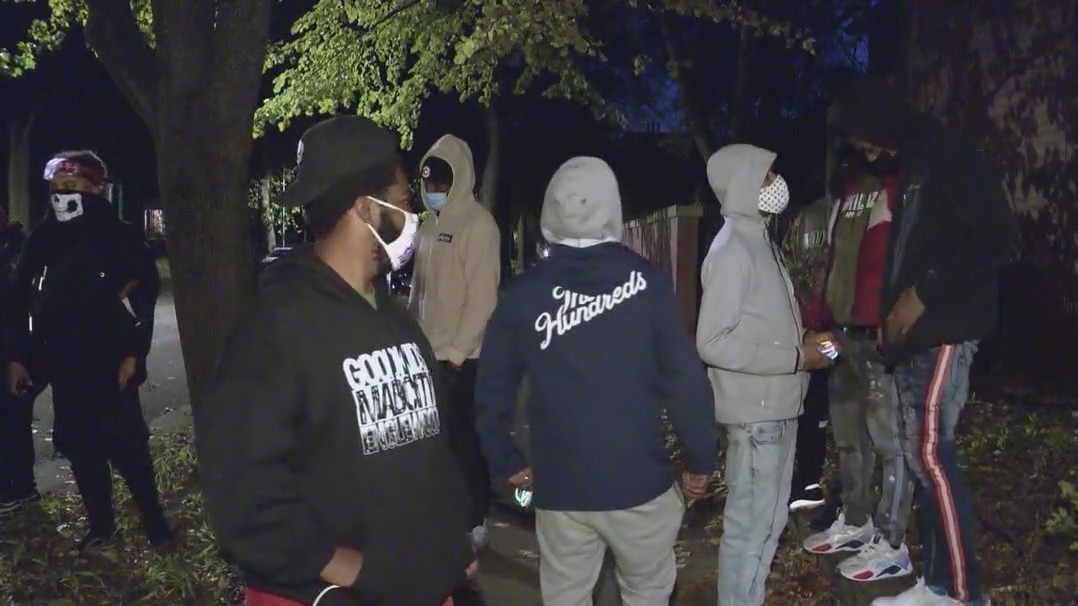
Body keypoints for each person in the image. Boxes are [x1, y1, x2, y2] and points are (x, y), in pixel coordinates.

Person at [196, 115, 475, 606]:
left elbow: (432, 446)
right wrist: (348, 568)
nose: (414, 214)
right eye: (405, 199)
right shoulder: (274, 329)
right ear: (367, 208)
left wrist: (452, 538)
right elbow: (240, 488)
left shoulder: (397, 321)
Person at [476, 156, 717, 606]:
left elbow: (491, 389)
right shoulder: (648, 285)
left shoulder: (522, 295)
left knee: (567, 596)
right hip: (640, 484)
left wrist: (506, 460)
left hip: (560, 488)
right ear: (612, 207)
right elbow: (684, 379)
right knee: (648, 593)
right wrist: (700, 459)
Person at [828, 77, 1017, 606]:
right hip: (917, 338)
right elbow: (909, 248)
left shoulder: (952, 157)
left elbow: (1000, 240)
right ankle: (936, 584)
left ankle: (961, 591)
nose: (866, 154)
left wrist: (920, 294)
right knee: (919, 459)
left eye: (865, 142)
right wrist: (889, 314)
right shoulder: (916, 164)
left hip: (946, 330)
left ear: (881, 122)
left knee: (930, 455)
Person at [4, 151, 170, 550]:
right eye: (56, 188)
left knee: (128, 448)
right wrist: (19, 356)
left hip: (110, 360)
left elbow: (144, 296)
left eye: (72, 187)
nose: (62, 195)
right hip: (63, 360)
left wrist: (134, 354)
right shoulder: (44, 238)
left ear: (95, 189)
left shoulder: (119, 236)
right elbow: (19, 295)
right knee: (81, 446)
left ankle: (157, 529)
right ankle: (101, 527)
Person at [696, 144, 835, 606]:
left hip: (773, 410)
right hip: (758, 417)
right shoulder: (734, 249)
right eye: (767, 175)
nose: (777, 183)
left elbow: (758, 323)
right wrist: (796, 357)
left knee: (766, 526)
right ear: (742, 183)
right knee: (750, 531)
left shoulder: (757, 240)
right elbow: (712, 341)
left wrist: (805, 340)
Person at [800, 143, 916, 584]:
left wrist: (893, 325)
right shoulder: (845, 199)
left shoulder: (895, 190)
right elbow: (831, 264)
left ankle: (892, 541)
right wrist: (817, 322)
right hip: (840, 336)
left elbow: (899, 262)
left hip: (877, 338)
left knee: (889, 443)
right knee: (848, 437)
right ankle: (856, 519)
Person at [409, 135, 501, 551]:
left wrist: (458, 356)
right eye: (428, 184)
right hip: (429, 354)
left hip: (465, 359)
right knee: (436, 443)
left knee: (465, 443)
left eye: (440, 184)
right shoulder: (428, 226)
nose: (433, 191)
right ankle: (445, 514)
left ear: (459, 179)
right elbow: (419, 291)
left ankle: (475, 518)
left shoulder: (478, 226)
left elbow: (483, 299)